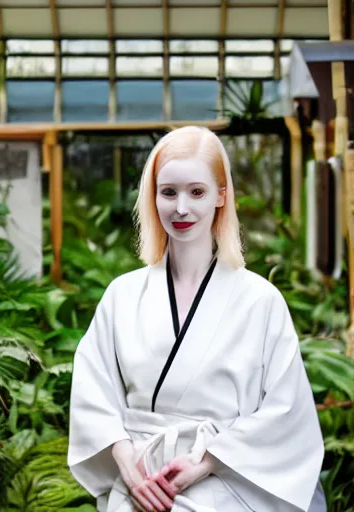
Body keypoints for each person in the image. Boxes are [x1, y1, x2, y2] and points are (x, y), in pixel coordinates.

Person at [67, 126, 326, 512]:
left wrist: (205, 462)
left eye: (197, 191)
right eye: (168, 192)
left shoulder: (261, 301)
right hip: (139, 485)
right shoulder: (122, 296)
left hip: (229, 483)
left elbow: (287, 411)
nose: (181, 208)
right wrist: (130, 468)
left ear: (222, 195)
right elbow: (93, 395)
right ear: (153, 197)